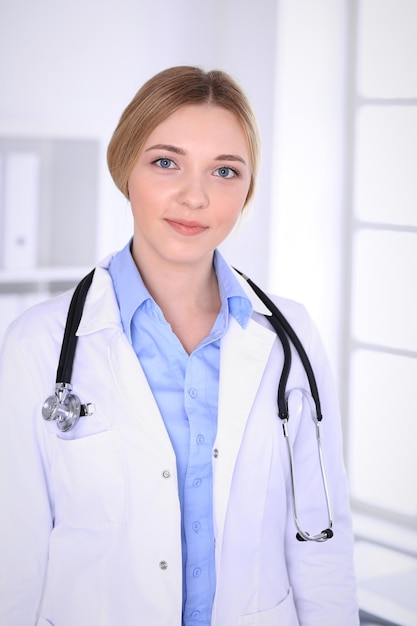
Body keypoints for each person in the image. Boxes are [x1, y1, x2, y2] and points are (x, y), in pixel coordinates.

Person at [0, 66, 359, 625]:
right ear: (125, 169)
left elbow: (321, 544)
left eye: (224, 171)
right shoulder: (38, 347)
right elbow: (14, 560)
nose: (195, 197)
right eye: (166, 162)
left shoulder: (291, 337)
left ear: (247, 190)